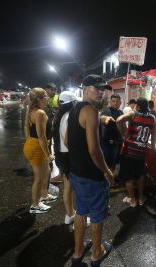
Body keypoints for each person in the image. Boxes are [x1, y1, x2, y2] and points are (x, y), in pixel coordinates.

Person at [67, 74, 114, 266]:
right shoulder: (90, 111)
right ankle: (96, 253)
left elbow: (67, 141)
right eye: (96, 88)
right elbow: (95, 150)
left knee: (80, 212)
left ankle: (78, 252)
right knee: (96, 216)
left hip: (76, 173)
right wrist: (107, 172)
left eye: (103, 89)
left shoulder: (74, 108)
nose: (101, 92)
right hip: (92, 176)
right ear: (85, 87)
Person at [116, 97, 156, 207]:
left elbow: (118, 120)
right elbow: (153, 139)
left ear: (137, 106)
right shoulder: (152, 118)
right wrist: (151, 151)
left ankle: (133, 200)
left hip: (128, 152)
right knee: (140, 175)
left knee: (128, 177)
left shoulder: (133, 114)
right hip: (141, 153)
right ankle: (141, 198)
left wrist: (124, 135)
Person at [23, 88, 57, 214]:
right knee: (38, 177)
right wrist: (47, 154)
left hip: (32, 143)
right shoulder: (40, 113)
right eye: (46, 95)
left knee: (47, 171)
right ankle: (35, 205)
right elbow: (41, 135)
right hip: (38, 146)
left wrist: (29, 140)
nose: (48, 97)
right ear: (41, 98)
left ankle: (44, 194)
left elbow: (26, 126)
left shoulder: (31, 110)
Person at [53, 91, 78, 224]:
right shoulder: (71, 117)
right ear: (72, 103)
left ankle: (70, 214)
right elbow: (69, 141)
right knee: (72, 187)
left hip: (60, 154)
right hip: (69, 156)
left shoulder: (59, 116)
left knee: (67, 187)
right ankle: (72, 215)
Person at [100, 94, 123, 172]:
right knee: (107, 162)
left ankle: (112, 178)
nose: (115, 103)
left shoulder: (121, 112)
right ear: (110, 102)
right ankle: (108, 179)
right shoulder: (107, 111)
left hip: (118, 141)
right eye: (113, 101)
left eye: (117, 101)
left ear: (120, 102)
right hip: (107, 142)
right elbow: (102, 118)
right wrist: (105, 119)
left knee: (115, 161)